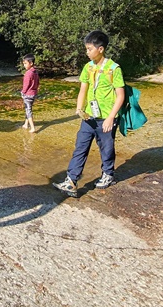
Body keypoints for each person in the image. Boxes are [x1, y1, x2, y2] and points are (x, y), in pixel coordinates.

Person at [53, 30, 125, 198]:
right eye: (86, 49)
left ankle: (108, 174)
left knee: (106, 148)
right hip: (89, 117)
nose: (87, 52)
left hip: (106, 118)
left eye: (89, 49)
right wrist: (79, 108)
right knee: (80, 147)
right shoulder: (88, 67)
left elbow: (120, 95)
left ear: (100, 49)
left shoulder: (113, 69)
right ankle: (71, 180)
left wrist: (110, 117)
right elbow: (83, 90)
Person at [20, 53, 39, 133]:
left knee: (28, 110)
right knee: (28, 108)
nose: (24, 65)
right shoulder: (35, 72)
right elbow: (38, 82)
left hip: (28, 94)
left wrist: (22, 92)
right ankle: (25, 124)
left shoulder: (28, 73)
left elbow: (26, 85)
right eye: (23, 63)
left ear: (31, 63)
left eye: (25, 63)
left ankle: (33, 128)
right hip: (33, 93)